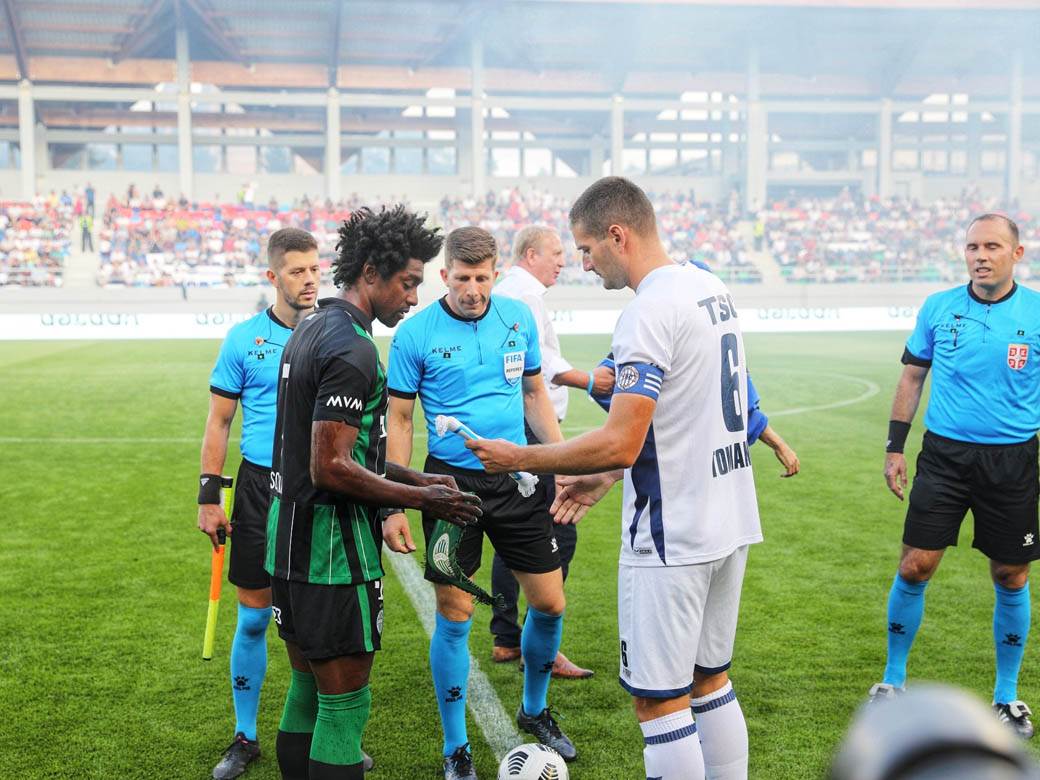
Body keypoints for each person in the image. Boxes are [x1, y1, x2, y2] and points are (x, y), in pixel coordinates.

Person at [467, 176, 762, 780]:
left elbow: (621, 441)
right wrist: (603, 478)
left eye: (585, 248)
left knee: (660, 701)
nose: (582, 262)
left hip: (672, 534)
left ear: (617, 235)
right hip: (730, 517)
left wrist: (517, 458)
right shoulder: (709, 285)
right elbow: (682, 415)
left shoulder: (647, 310)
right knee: (711, 680)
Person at [266, 206, 482, 780]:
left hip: (288, 541)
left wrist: (416, 478)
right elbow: (331, 468)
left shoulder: (310, 327)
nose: (413, 297)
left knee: (307, 688)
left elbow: (340, 451)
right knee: (344, 706)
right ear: (369, 272)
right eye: (407, 282)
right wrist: (423, 501)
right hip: (332, 552)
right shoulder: (353, 348)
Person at [386, 226, 578, 779]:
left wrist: (560, 464)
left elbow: (534, 393)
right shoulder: (415, 334)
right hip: (449, 489)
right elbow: (400, 419)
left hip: (519, 480)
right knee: (455, 616)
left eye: (482, 278)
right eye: (462, 278)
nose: (472, 290)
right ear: (444, 275)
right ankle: (456, 747)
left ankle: (535, 709)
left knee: (550, 604)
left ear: (496, 273)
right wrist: (396, 502)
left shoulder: (517, 318)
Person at [871, 213, 1040, 740]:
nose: (980, 256)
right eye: (972, 247)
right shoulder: (938, 307)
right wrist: (895, 447)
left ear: (1016, 253)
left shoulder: (1036, 312)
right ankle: (892, 682)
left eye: (992, 246)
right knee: (915, 565)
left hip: (1012, 461)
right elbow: (912, 376)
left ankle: (1006, 696)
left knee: (1010, 575)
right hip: (944, 456)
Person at [198, 227, 322, 779]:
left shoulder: (335, 334)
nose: (309, 279)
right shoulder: (243, 339)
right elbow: (219, 421)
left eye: (315, 269)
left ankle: (326, 732)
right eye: (297, 271)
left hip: (317, 489)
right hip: (257, 489)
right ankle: (244, 736)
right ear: (273, 276)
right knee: (252, 620)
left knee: (316, 622)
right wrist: (208, 496)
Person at [487, 224, 612, 678]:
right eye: (556, 252)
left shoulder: (514, 292)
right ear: (530, 254)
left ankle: (507, 637)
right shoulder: (523, 295)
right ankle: (539, 642)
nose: (564, 261)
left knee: (514, 531)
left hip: (521, 426)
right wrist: (590, 380)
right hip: (531, 428)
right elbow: (538, 366)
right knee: (560, 526)